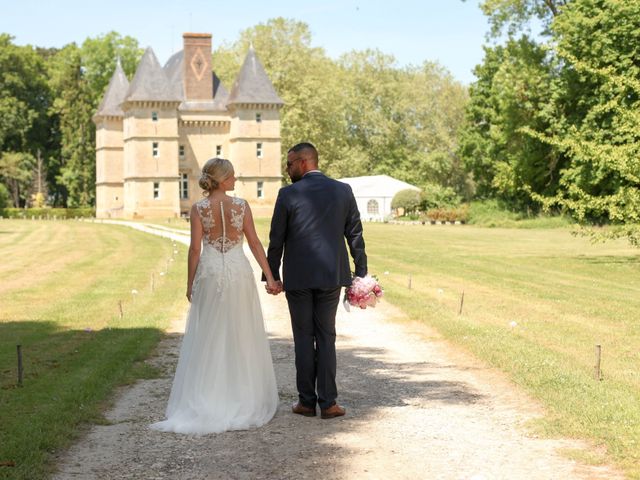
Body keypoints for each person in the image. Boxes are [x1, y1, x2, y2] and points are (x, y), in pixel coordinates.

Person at [151, 158, 279, 435]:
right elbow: (255, 243)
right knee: (240, 332)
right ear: (222, 180)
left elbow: (195, 250)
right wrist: (269, 276)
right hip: (237, 271)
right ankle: (244, 397)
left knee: (209, 334)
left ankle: (208, 395)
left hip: (210, 274)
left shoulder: (199, 209)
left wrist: (190, 283)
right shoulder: (242, 205)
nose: (236, 180)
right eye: (232, 176)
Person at [265, 142, 367, 419]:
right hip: (331, 275)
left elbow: (277, 239)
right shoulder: (342, 190)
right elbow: (355, 234)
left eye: (289, 164)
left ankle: (307, 402)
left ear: (303, 162)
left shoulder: (287, 194)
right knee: (326, 336)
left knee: (303, 337)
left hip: (298, 277)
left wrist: (272, 275)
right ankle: (329, 403)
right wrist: (361, 273)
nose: (287, 170)